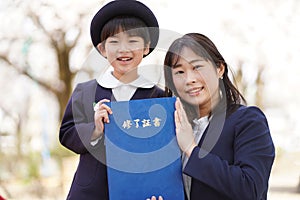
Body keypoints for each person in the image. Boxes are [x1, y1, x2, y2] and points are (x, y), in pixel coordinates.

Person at [59, 1, 164, 199]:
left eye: (133, 41)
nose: (123, 49)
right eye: (114, 42)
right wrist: (95, 129)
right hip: (91, 191)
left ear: (146, 47)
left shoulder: (158, 96)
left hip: (139, 190)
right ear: (102, 49)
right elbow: (66, 133)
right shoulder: (85, 91)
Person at [161, 33, 275, 200]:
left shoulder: (248, 121)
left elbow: (250, 189)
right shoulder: (174, 128)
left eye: (197, 67)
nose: (189, 79)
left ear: (219, 69)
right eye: (179, 72)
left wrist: (192, 150)